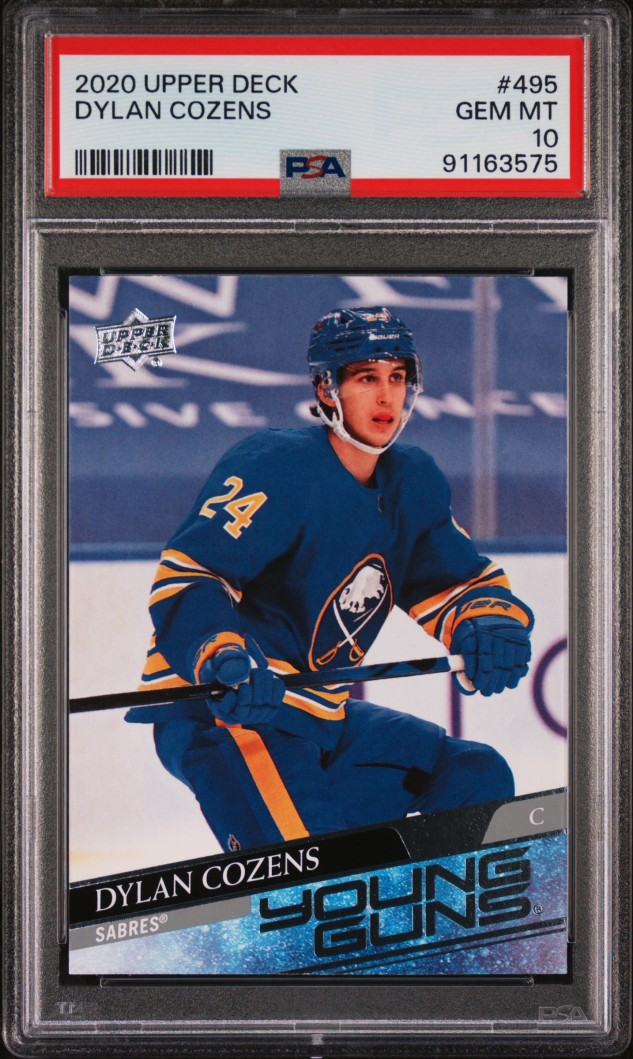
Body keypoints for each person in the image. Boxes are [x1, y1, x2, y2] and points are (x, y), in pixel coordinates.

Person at [126, 307, 533, 853]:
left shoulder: (411, 481)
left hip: (319, 715)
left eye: (397, 377)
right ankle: (313, 894)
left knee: (475, 777)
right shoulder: (275, 465)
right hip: (224, 712)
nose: (386, 397)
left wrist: (487, 624)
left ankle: (429, 906)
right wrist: (223, 656)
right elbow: (191, 576)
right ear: (326, 389)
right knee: (313, 871)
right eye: (366, 378)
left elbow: (459, 582)